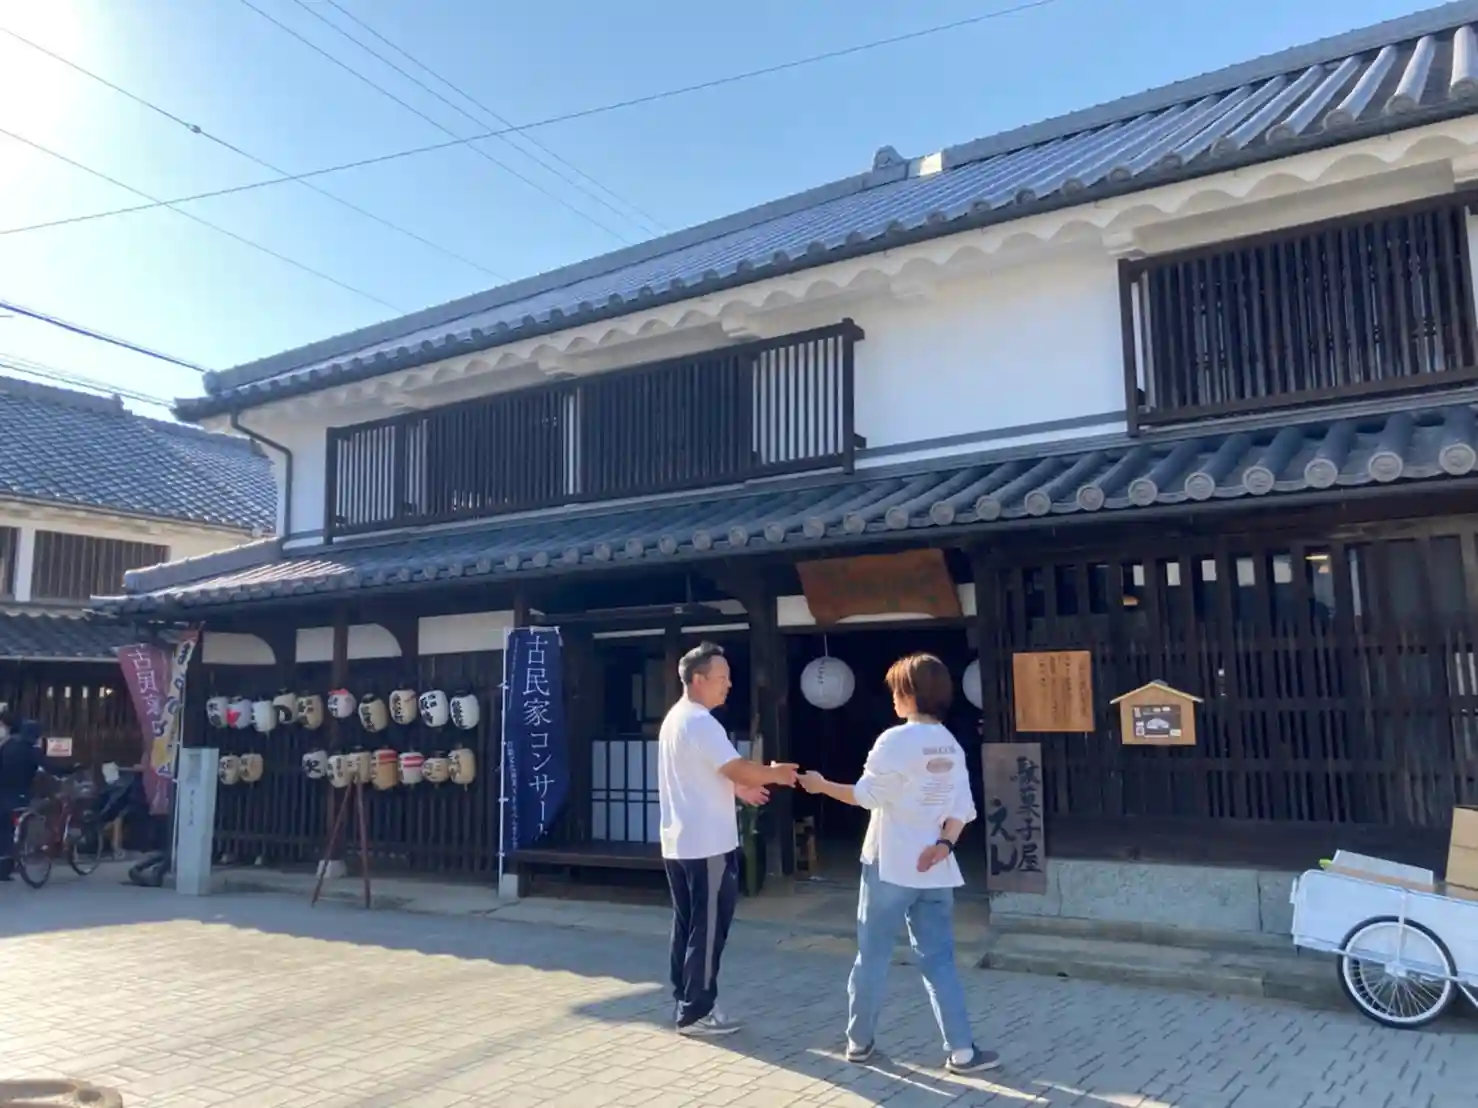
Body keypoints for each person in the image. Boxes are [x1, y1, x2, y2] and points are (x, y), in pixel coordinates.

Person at [800, 653, 999, 1074]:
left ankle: (859, 1042)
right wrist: (944, 846)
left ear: (910, 693)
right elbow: (962, 809)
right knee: (939, 959)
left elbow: (865, 796)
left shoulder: (894, 741)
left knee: (873, 956)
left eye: (896, 689)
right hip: (935, 868)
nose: (892, 696)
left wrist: (820, 786)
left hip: (889, 862)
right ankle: (962, 1051)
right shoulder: (950, 744)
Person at [659, 641, 798, 1037]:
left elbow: (705, 772)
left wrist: (738, 789)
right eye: (722, 677)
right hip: (707, 844)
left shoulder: (676, 718)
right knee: (707, 929)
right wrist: (774, 774)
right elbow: (736, 767)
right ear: (698, 679)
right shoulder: (701, 722)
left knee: (688, 925)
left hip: (680, 841)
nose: (729, 684)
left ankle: (687, 999)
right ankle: (696, 1012)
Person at [0, 717, 43, 881]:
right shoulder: (32, 751)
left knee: (4, 830)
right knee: (18, 830)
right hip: (19, 795)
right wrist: (71, 769)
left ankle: (3, 867)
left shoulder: (7, 746)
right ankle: (8, 866)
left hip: (2, 793)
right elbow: (50, 767)